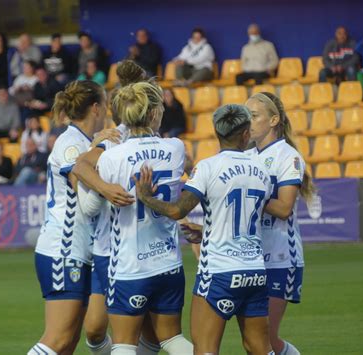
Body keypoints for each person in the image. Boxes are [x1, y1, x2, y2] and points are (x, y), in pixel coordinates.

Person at [134, 104, 273, 354]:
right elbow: (241, 218)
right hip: (255, 270)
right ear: (245, 134)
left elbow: (178, 210)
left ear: (217, 133)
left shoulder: (208, 167)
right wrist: (206, 230)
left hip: (219, 272)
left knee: (205, 349)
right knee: (259, 348)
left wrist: (146, 198)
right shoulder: (263, 169)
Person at [73, 60, 161, 355]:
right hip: (108, 248)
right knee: (95, 329)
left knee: (148, 333)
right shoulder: (113, 137)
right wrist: (105, 188)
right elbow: (81, 167)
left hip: (146, 247)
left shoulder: (160, 140)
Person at [27, 79, 113, 355]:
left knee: (68, 344)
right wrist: (112, 190)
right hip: (63, 250)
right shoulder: (71, 145)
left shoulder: (86, 143)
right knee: (58, 340)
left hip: (79, 250)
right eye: (107, 104)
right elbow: (87, 202)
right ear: (96, 108)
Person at [245, 92, 315, 355]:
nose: (247, 121)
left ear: (273, 120)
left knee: (265, 341)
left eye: (254, 116)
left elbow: (284, 208)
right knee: (256, 343)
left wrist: (249, 195)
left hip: (280, 258)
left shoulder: (288, 156)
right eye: (246, 116)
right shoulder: (246, 155)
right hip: (250, 258)